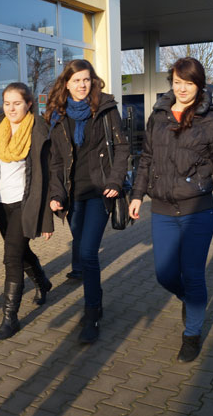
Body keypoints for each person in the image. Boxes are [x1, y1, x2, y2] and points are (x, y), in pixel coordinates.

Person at [128, 57, 213, 362]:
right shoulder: (158, 115)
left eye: (189, 83)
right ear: (171, 83)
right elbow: (146, 159)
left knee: (194, 273)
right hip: (162, 210)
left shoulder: (211, 121)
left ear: (199, 85)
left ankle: (192, 333)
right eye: (177, 82)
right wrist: (137, 195)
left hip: (197, 210)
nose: (182, 89)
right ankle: (191, 299)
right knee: (164, 274)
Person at [45, 59, 129, 344]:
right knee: (82, 252)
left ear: (93, 80)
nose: (82, 85)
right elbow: (56, 161)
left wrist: (115, 181)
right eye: (76, 80)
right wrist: (56, 194)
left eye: (86, 79)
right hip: (73, 195)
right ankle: (97, 302)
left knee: (89, 253)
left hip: (100, 192)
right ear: (66, 84)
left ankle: (92, 312)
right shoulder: (58, 114)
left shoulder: (105, 107)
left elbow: (122, 147)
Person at [0, 82, 54, 340]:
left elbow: (46, 176)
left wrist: (46, 220)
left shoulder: (38, 130)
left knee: (11, 258)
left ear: (28, 104)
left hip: (25, 204)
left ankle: (10, 318)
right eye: (7, 103)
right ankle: (42, 281)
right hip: (1, 204)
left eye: (17, 103)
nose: (11, 109)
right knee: (20, 253)